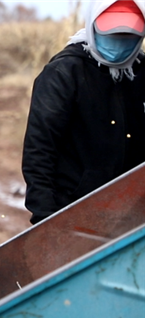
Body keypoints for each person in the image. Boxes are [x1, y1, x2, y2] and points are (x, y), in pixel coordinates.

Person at [22, 0, 145, 224]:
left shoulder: (141, 73)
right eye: (112, 35)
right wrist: (45, 217)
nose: (119, 43)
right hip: (74, 209)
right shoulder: (64, 73)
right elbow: (40, 149)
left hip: (133, 211)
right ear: (93, 26)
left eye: (128, 36)